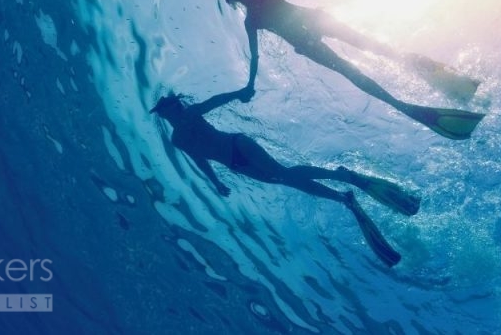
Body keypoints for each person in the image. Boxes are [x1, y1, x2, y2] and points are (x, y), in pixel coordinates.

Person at [152, 89, 420, 267]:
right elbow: (200, 159)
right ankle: (343, 197)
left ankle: (341, 176)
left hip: (239, 146)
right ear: (164, 115)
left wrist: (240, 92)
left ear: (176, 105)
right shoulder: (177, 139)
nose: (169, 111)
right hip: (235, 164)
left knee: (283, 173)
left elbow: (216, 101)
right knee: (285, 179)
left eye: (170, 106)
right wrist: (216, 182)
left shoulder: (191, 113)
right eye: (165, 111)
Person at [222, 0, 485, 140]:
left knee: (364, 54)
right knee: (358, 62)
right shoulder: (253, 15)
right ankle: (403, 104)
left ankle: (406, 98)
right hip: (310, 32)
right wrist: (249, 84)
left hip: (311, 29)